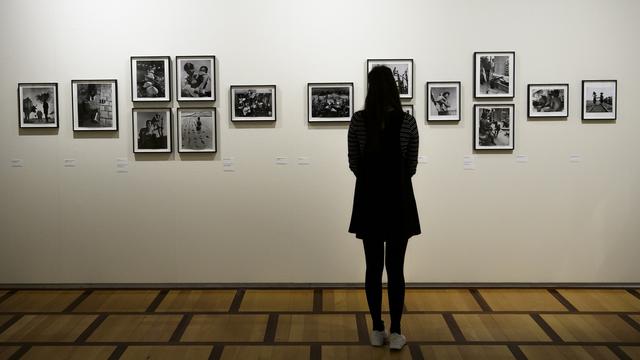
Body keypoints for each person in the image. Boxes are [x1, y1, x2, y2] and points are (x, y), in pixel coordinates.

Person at [347, 65, 420, 351]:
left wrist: (370, 182)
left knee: (373, 267)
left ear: (370, 87)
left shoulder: (358, 121)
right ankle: (397, 331)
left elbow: (354, 163)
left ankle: (377, 328)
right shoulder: (408, 122)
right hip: (399, 199)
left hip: (369, 199)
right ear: (394, 87)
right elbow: (411, 166)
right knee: (396, 269)